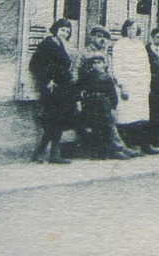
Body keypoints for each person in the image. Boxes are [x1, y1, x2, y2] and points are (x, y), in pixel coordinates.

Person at [76, 28, 140, 160]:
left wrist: (119, 88)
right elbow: (75, 72)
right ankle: (113, 149)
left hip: (104, 96)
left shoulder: (105, 53)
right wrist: (78, 93)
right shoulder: (84, 52)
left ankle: (119, 148)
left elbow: (110, 74)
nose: (102, 40)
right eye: (99, 36)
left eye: (105, 38)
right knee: (103, 124)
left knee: (110, 121)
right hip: (89, 96)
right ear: (92, 36)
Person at [28, 18, 77, 164]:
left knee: (58, 122)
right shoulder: (48, 44)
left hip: (63, 89)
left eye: (67, 31)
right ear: (55, 29)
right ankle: (46, 153)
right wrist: (47, 80)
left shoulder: (63, 45)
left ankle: (48, 153)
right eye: (62, 30)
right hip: (53, 90)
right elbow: (35, 65)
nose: (64, 33)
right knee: (53, 122)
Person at [112, 19, 158, 154]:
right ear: (125, 29)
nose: (132, 31)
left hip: (140, 85)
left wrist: (147, 84)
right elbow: (117, 67)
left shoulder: (140, 45)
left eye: (135, 29)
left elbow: (145, 66)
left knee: (142, 115)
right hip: (127, 84)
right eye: (130, 28)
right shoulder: (119, 45)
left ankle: (144, 144)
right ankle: (128, 144)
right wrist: (122, 84)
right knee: (127, 115)